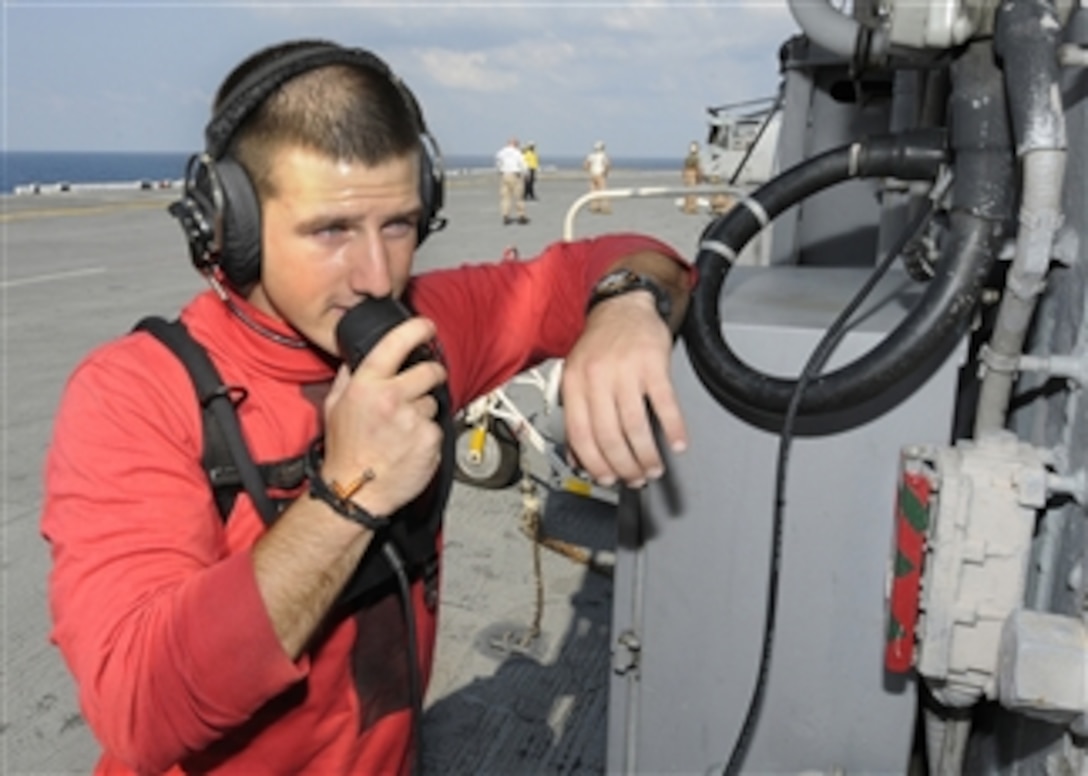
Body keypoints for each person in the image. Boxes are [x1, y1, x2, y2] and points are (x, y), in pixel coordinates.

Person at [41, 39, 694, 776]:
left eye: (400, 225)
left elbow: (617, 260)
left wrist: (623, 305)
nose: (377, 276)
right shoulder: (134, 395)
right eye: (331, 232)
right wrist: (348, 494)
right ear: (234, 228)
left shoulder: (421, 326)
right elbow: (141, 708)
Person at [494, 136, 529, 225]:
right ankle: (521, 215)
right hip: (515, 174)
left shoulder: (501, 152)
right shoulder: (517, 153)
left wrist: (500, 171)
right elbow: (523, 164)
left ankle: (506, 215)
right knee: (519, 196)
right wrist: (526, 173)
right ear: (515, 144)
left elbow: (498, 163)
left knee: (505, 197)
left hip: (505, 174)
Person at [583, 140, 611, 214]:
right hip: (600, 174)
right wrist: (606, 173)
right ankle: (605, 207)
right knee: (603, 191)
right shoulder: (603, 156)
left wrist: (589, 171)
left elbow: (586, 165)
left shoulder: (591, 156)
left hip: (593, 174)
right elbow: (607, 165)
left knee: (593, 191)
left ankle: (594, 207)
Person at [681, 140, 702, 214]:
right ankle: (692, 208)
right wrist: (700, 176)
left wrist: (683, 175)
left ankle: (687, 207)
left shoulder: (688, 158)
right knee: (693, 192)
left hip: (687, 174)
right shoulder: (696, 158)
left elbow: (684, 167)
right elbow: (698, 168)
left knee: (688, 192)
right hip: (693, 174)